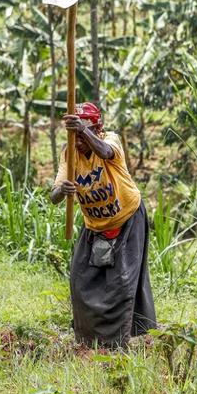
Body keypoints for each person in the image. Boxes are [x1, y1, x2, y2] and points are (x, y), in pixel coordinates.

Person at [50, 103, 156, 348]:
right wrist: (61, 191)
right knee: (80, 279)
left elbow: (106, 152)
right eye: (73, 136)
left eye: (82, 135)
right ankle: (88, 341)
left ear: (97, 129)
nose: (77, 141)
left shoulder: (110, 140)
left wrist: (83, 131)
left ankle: (118, 344)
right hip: (94, 224)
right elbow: (54, 194)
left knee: (121, 282)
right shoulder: (69, 152)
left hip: (127, 217)